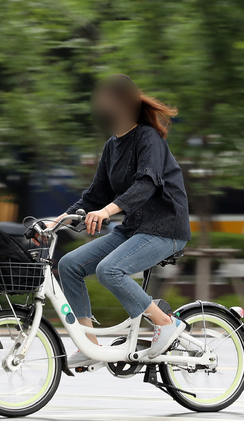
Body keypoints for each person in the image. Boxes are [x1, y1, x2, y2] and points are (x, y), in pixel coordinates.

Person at [54, 74, 191, 367]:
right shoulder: (111, 146)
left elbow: (147, 183)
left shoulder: (147, 138)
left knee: (109, 270)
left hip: (166, 227)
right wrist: (60, 220)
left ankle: (166, 324)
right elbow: (94, 196)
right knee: (68, 265)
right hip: (134, 230)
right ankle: (91, 349)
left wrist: (107, 212)